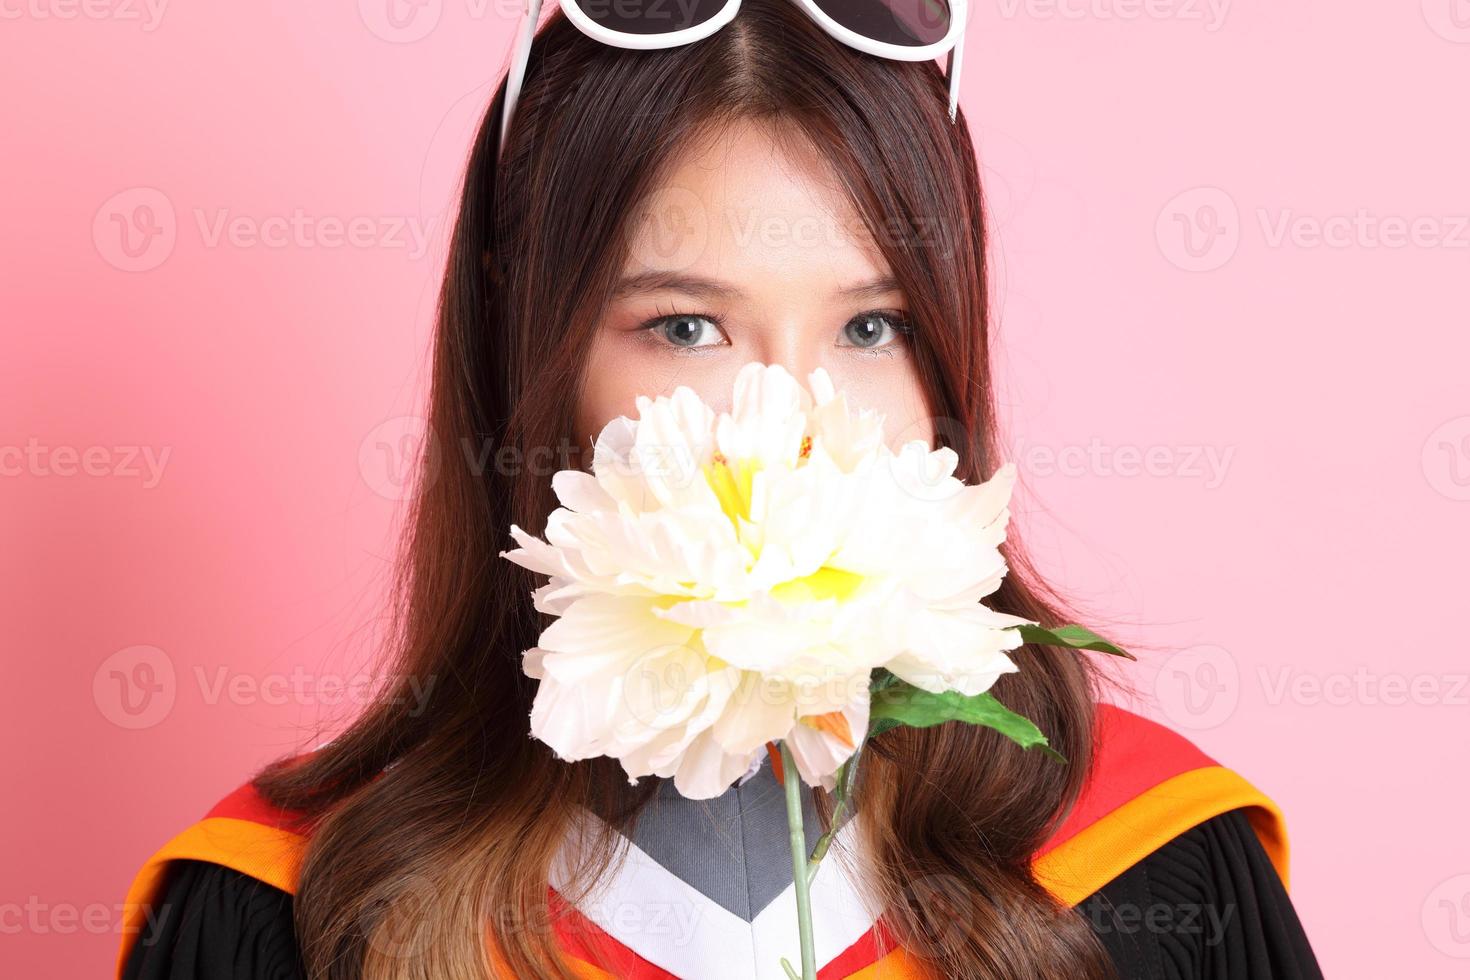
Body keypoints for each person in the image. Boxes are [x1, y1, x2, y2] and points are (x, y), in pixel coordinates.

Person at [115, 1, 1324, 976]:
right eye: (687, 326)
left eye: (873, 327)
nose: (783, 428)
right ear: (526, 346)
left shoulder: (1151, 871)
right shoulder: (285, 915)